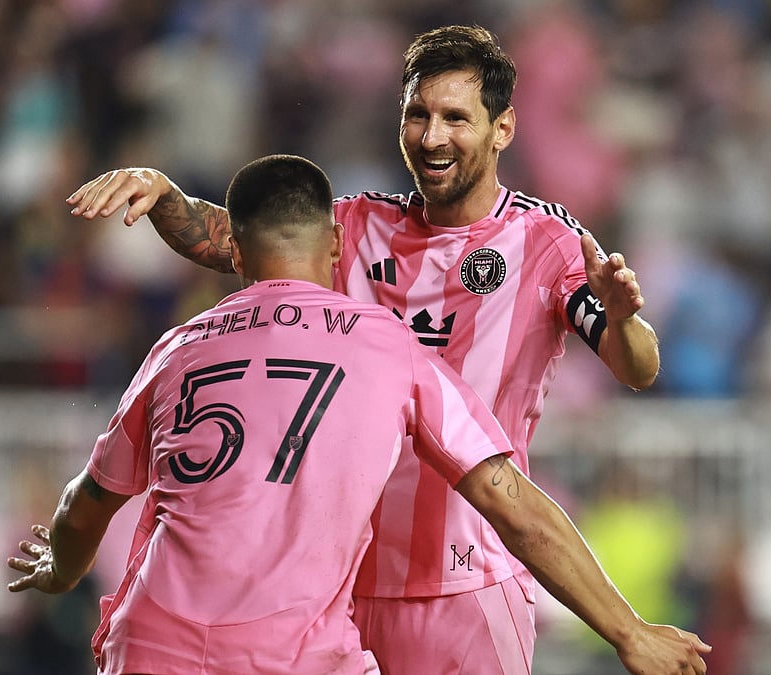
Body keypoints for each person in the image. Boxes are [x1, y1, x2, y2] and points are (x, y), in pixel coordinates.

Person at [66, 24, 661, 674]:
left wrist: (627, 319)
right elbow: (233, 238)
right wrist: (163, 194)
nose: (432, 137)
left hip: (468, 584)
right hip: (341, 594)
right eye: (418, 114)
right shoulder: (356, 223)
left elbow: (635, 366)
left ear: (503, 128)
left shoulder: (546, 240)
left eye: (455, 118)